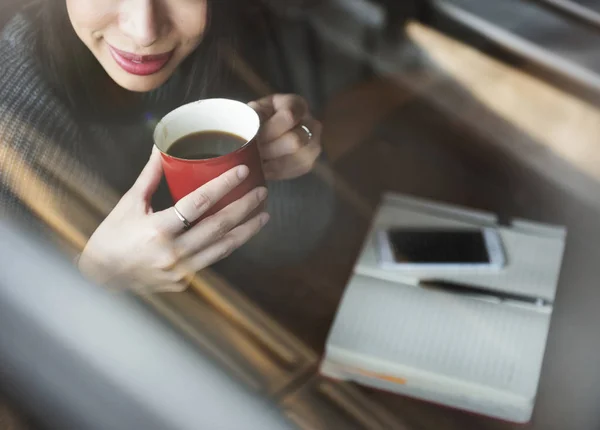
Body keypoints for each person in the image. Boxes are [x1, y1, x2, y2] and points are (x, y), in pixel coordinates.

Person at [0, 0, 334, 292]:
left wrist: (288, 160)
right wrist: (94, 276)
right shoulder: (10, 111)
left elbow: (289, 243)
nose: (145, 31)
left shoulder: (226, 39)